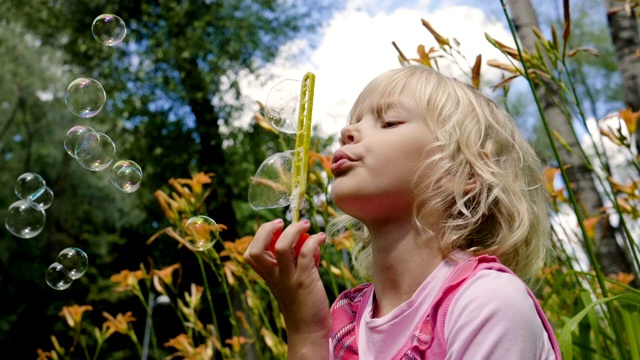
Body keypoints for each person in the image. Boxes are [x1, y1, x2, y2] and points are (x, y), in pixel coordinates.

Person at [244, 64, 561, 359]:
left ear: (465, 174)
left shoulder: (486, 302)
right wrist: (306, 332)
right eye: (354, 121)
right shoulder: (344, 321)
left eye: (388, 123)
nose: (347, 132)